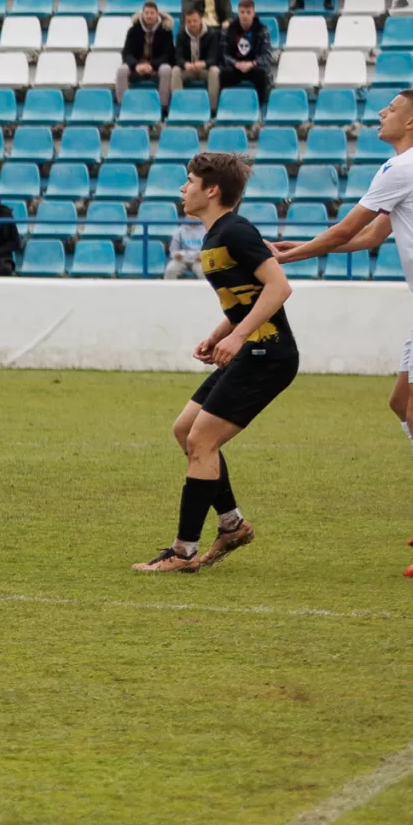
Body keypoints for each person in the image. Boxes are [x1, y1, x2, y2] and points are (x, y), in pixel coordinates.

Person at [273, 88, 413, 577]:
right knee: (402, 404)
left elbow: (342, 230)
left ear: (412, 122)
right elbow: (372, 235)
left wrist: (289, 256)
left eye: (392, 109)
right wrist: (300, 247)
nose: (381, 113)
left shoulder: (403, 167)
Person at [131, 152, 295, 574]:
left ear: (212, 190)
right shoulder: (215, 235)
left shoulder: (236, 230)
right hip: (249, 348)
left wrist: (238, 336)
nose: (183, 188)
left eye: (189, 181)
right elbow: (246, 298)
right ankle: (232, 525)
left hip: (268, 353)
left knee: (202, 441)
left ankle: (183, 552)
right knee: (185, 430)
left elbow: (278, 287)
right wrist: (221, 333)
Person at [117, 0, 178, 104]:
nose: (149, 16)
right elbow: (126, 53)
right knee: (122, 70)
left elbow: (168, 54)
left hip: (157, 66)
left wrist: (152, 65)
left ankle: (163, 105)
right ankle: (123, 104)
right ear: (142, 14)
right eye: (146, 13)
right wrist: (136, 65)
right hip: (137, 66)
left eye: (152, 13)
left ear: (157, 14)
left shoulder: (165, 31)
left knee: (166, 69)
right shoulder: (133, 30)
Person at [217, 0, 275, 105]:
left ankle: (260, 106)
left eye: (248, 12)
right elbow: (223, 54)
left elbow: (267, 55)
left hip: (254, 66)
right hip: (235, 66)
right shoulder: (229, 30)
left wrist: (252, 63)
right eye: (242, 12)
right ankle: (226, 104)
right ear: (238, 13)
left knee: (262, 74)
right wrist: (236, 63)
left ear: (253, 14)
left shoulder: (262, 30)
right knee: (224, 73)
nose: (245, 15)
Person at [169, 9, 220, 103]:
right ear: (185, 23)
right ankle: (178, 103)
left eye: (195, 21)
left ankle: (212, 106)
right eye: (189, 21)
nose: (192, 24)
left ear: (200, 20)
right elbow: (178, 56)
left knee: (215, 71)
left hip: (205, 69)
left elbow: (214, 57)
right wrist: (185, 64)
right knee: (176, 70)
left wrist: (203, 63)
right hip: (188, 69)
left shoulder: (211, 34)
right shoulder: (181, 35)